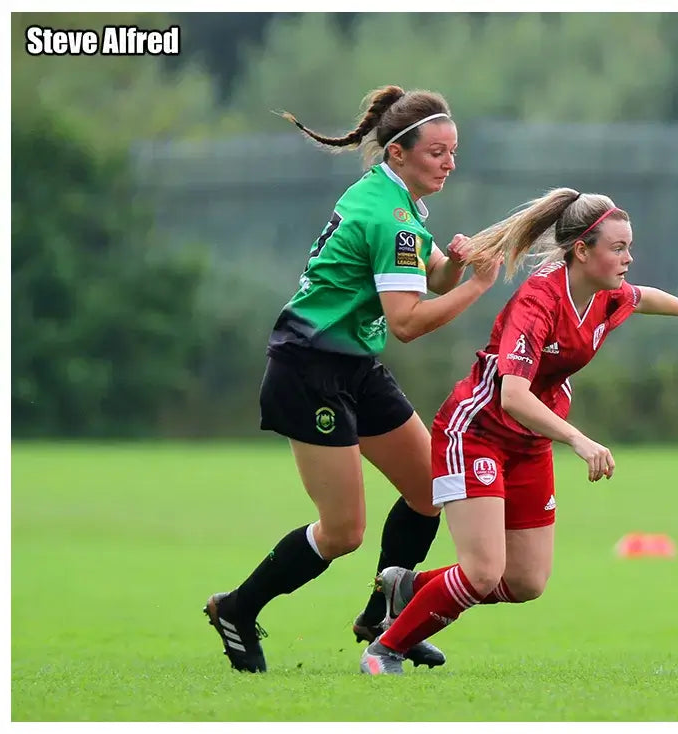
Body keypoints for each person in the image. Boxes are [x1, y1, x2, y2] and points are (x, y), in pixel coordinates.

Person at [356, 188, 678, 675]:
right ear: (583, 250)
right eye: (618, 248)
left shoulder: (603, 295)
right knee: (481, 571)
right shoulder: (538, 300)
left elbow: (641, 298)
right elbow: (513, 396)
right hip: (476, 432)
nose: (628, 258)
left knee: (525, 581)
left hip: (528, 443)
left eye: (629, 247)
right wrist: (578, 439)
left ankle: (408, 589)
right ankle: (384, 649)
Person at [203, 85, 501, 673]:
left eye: (453, 151)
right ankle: (237, 608)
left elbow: (431, 276)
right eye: (437, 152)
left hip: (353, 366)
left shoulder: (399, 202)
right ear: (397, 153)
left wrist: (458, 265)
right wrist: (476, 288)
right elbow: (409, 322)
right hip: (308, 369)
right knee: (343, 533)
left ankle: (383, 621)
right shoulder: (392, 215)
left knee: (428, 488)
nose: (450, 163)